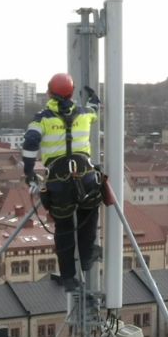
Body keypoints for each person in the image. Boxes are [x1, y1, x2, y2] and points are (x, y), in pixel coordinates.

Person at [23, 73, 103, 292]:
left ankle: (68, 277)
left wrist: (28, 172)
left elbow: (30, 141)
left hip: (59, 183)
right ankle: (87, 257)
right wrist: (93, 96)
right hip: (86, 177)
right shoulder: (84, 113)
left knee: (64, 227)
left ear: (49, 93)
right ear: (71, 92)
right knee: (89, 215)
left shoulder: (42, 118)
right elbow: (95, 108)